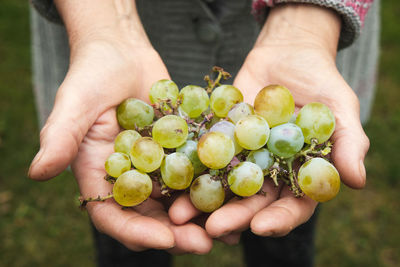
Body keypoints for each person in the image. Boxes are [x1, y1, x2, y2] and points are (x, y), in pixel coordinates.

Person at [28, 0, 379, 266]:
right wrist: (102, 28)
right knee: (129, 236)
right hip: (101, 25)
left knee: (284, 222)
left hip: (301, 45)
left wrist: (307, 26)